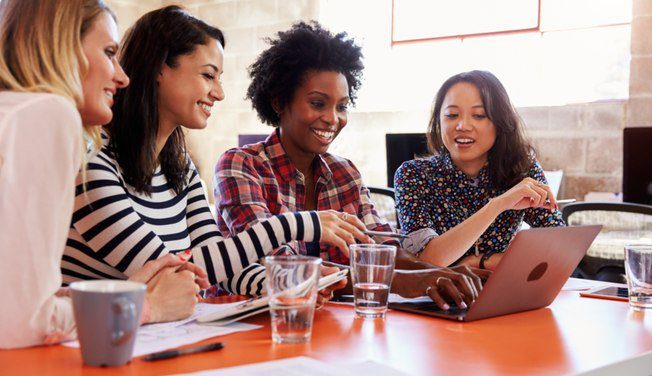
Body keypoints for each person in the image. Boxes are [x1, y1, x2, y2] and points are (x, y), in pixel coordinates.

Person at [61, 6, 367, 303]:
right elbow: (171, 273)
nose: (219, 92)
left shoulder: (180, 168)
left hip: (151, 340)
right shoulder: (91, 161)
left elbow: (220, 270)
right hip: (86, 347)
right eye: (209, 76)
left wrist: (293, 282)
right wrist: (299, 224)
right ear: (159, 69)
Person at [214, 22, 487, 310]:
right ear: (280, 101)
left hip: (327, 329)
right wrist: (404, 281)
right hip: (249, 327)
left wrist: (438, 273)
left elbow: (380, 248)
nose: (333, 119)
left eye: (342, 106)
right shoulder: (241, 166)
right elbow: (282, 268)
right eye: (318, 103)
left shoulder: (345, 173)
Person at [0, 0, 211, 349]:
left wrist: (123, 293)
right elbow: (23, 322)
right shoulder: (46, 113)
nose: (122, 75)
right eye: (109, 52)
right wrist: (146, 305)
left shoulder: (16, 111)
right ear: (62, 47)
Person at [395, 70, 565, 270]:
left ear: (500, 122)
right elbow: (425, 261)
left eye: (479, 115)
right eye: (451, 115)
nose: (463, 125)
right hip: (438, 298)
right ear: (438, 121)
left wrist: (482, 261)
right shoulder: (413, 175)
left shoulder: (522, 171)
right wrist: (497, 205)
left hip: (505, 295)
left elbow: (561, 250)